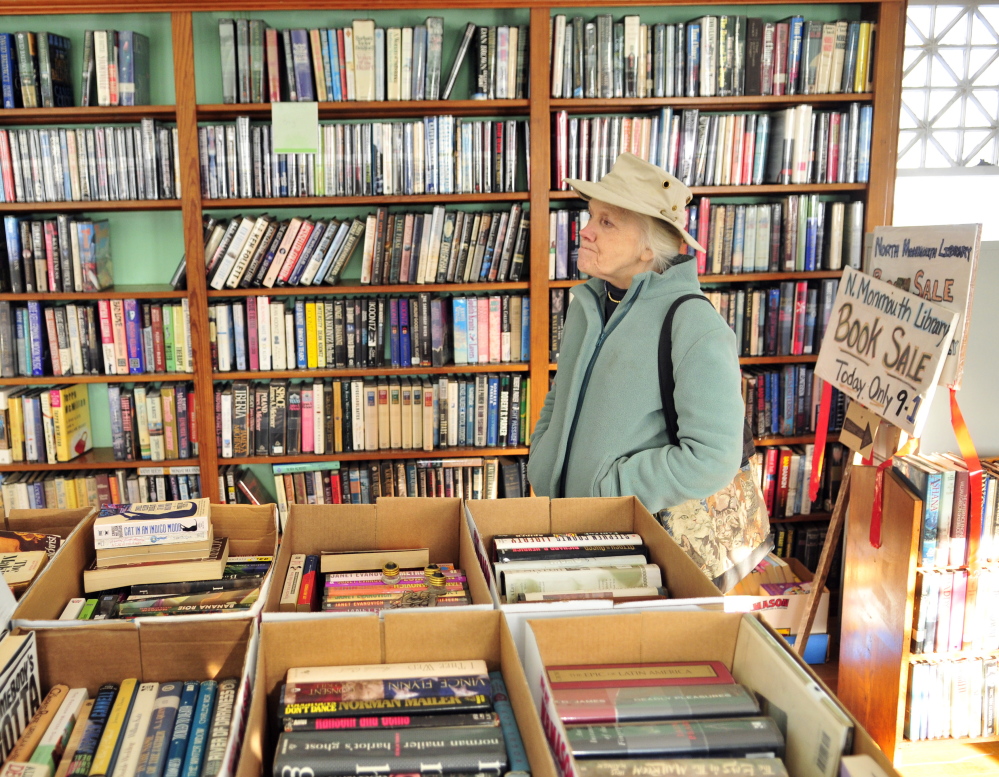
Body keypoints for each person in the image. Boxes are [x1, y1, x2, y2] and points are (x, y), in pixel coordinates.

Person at [527, 152, 746, 516]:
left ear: (648, 248)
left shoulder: (694, 324)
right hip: (570, 521)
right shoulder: (590, 303)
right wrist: (543, 458)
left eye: (607, 222)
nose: (586, 230)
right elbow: (561, 394)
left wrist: (614, 490)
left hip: (634, 539)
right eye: (591, 215)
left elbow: (713, 457)